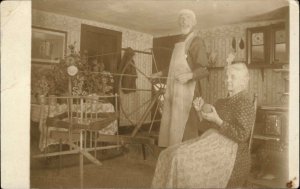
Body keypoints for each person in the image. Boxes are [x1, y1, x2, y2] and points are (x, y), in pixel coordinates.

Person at [151, 63, 255, 188]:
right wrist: (200, 111)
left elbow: (242, 135)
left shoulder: (245, 102)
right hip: (211, 142)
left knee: (179, 159)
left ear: (243, 82)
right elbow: (206, 127)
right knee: (166, 154)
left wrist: (218, 120)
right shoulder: (222, 102)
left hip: (231, 152)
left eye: (233, 77)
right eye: (226, 77)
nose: (228, 80)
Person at [153, 9, 209, 147]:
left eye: (188, 18)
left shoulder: (197, 41)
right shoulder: (178, 42)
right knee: (173, 123)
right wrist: (160, 73)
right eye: (182, 18)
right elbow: (174, 68)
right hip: (174, 90)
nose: (184, 20)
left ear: (194, 22)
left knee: (187, 125)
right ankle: (174, 154)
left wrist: (190, 75)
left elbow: (204, 70)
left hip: (189, 91)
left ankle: (188, 159)